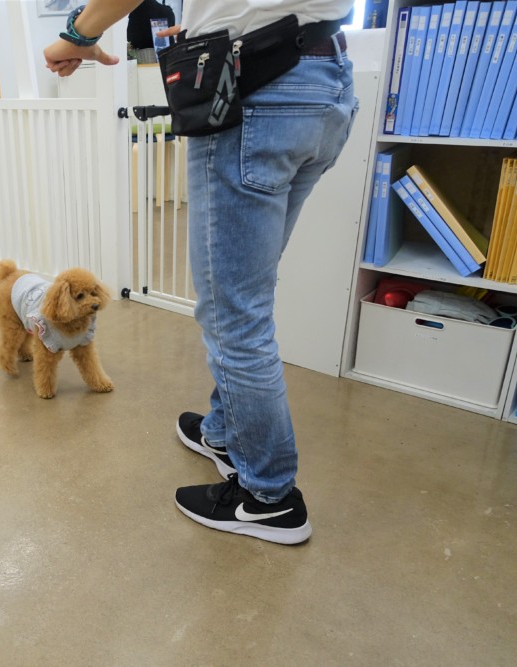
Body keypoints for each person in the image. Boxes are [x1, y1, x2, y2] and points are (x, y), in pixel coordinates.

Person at [45, 1, 358, 545]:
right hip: (326, 85)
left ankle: (269, 498)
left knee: (235, 315)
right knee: (244, 295)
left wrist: (76, 35)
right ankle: (224, 432)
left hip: (253, 88)